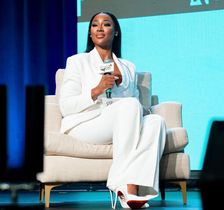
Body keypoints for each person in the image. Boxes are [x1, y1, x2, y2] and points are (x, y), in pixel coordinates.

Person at [59, 12, 166, 209]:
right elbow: (66, 106)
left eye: (106, 24)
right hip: (86, 123)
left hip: (123, 123)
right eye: (94, 25)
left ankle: (131, 191)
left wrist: (143, 112)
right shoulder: (77, 61)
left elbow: (134, 105)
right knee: (130, 105)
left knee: (156, 121)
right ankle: (120, 184)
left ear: (115, 32)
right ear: (90, 34)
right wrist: (96, 90)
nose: (99, 28)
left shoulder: (128, 67)